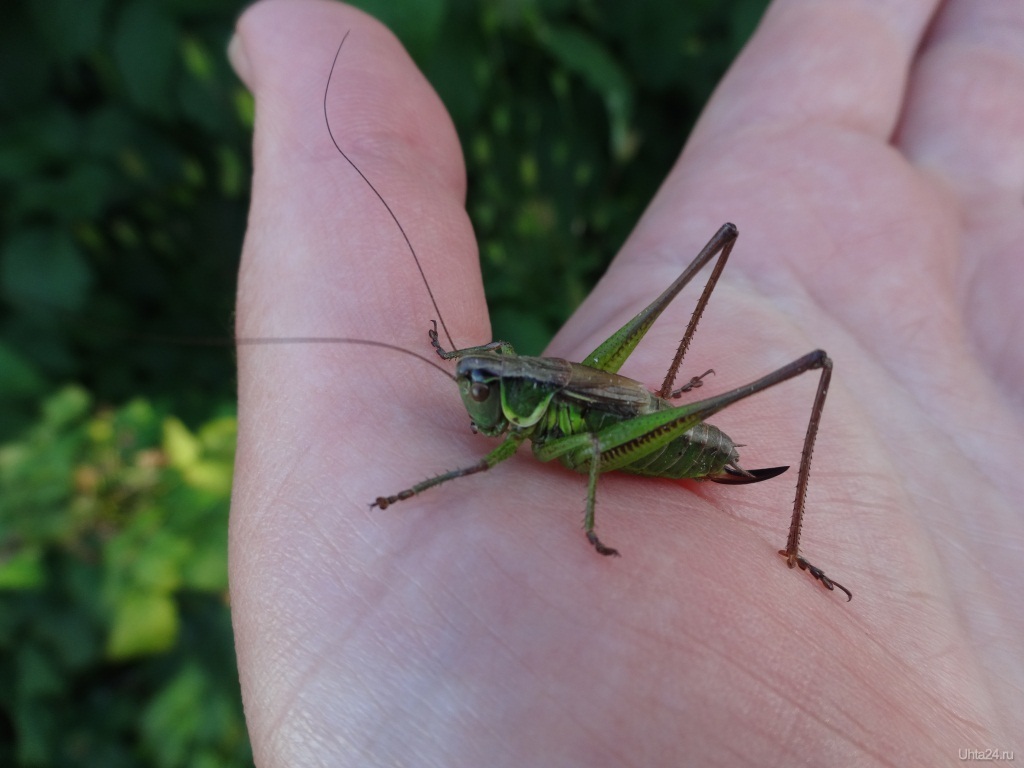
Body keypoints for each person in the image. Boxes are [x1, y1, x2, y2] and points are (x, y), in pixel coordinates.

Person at [228, 0, 1023, 764]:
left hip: (647, 436)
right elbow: (495, 358)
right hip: (611, 408)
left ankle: (793, 545)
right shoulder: (507, 377)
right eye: (477, 379)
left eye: (481, 381)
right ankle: (675, 395)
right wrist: (459, 359)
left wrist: (421, 494)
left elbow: (518, 459)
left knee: (779, 350)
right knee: (590, 388)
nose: (475, 390)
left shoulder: (526, 431)